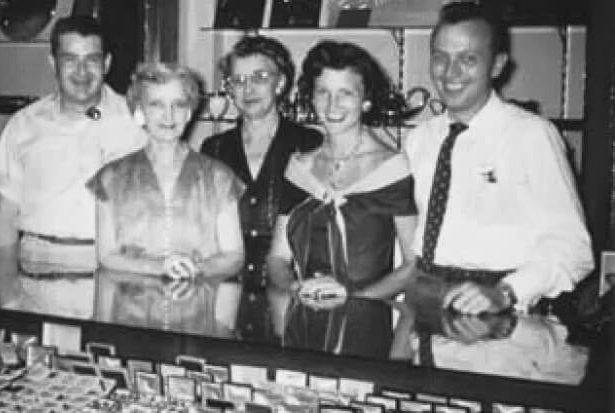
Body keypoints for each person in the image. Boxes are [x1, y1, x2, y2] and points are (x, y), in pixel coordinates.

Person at [403, 2, 593, 315]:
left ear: (497, 65)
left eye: (468, 59)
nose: (450, 72)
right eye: (441, 56)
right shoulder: (419, 140)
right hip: (427, 305)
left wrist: (505, 293)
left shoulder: (532, 136)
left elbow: (574, 249)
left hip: (500, 311)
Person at [0, 16, 146, 318]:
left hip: (114, 279)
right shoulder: (24, 125)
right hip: (34, 276)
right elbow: (5, 215)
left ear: (108, 63)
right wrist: (8, 303)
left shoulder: (137, 123)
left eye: (92, 60)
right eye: (70, 60)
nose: (82, 72)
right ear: (52, 62)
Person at [266, 40, 418, 347]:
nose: (332, 106)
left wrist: (353, 297)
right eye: (323, 92)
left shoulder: (391, 168)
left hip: (367, 331)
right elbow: (277, 259)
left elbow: (414, 266)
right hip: (304, 327)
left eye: (345, 93)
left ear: (366, 100)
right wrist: (296, 288)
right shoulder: (298, 168)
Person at [88, 62, 245, 320]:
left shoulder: (219, 177)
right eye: (156, 105)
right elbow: (106, 256)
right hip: (130, 321)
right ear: (139, 111)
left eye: (179, 105)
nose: (168, 116)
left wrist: (195, 268)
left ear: (190, 112)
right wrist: (159, 267)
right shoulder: (111, 177)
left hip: (197, 321)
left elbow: (234, 255)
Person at [200, 35, 323, 342]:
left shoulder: (308, 144)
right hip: (225, 299)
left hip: (290, 295)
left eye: (259, 77)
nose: (248, 89)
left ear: (280, 83)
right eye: (238, 80)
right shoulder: (213, 148)